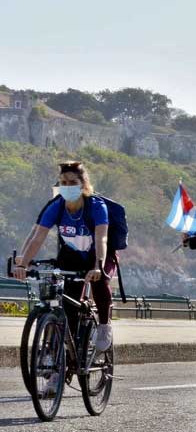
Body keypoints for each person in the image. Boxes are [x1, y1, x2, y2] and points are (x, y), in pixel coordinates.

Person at [13, 162, 116, 393]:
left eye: (72, 183)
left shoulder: (96, 206)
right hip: (71, 256)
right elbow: (38, 236)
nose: (67, 187)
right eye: (63, 183)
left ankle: (103, 326)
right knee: (65, 310)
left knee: (100, 283)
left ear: (84, 185)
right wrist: (24, 263)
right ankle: (58, 371)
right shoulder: (58, 206)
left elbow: (102, 239)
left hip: (98, 255)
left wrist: (98, 265)